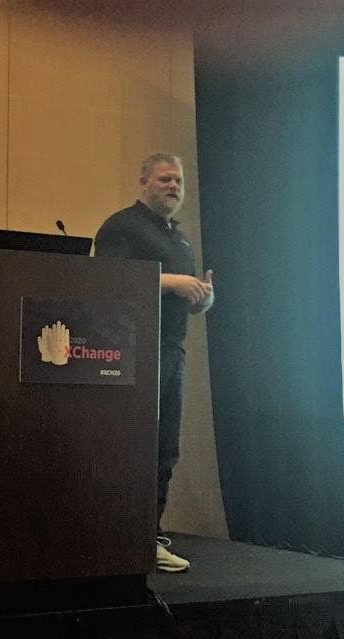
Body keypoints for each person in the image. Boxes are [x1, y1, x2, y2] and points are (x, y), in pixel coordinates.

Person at [95, 153, 214, 572]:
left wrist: (202, 297)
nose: (174, 186)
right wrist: (173, 281)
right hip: (135, 351)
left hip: (173, 350)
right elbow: (108, 281)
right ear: (143, 181)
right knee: (134, 447)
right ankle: (120, 536)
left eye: (178, 180)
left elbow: (186, 298)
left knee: (165, 449)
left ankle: (148, 535)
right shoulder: (121, 226)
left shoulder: (179, 239)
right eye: (165, 179)